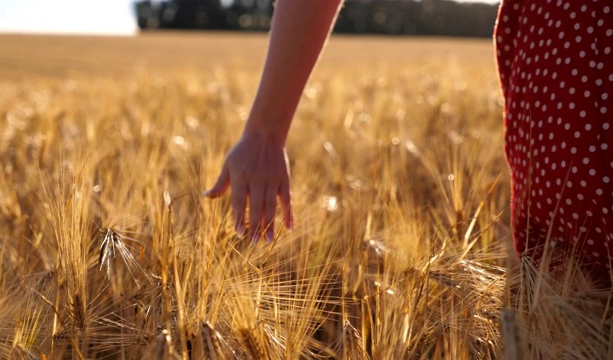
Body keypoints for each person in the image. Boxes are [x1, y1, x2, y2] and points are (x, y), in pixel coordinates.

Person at [204, 0, 613, 275]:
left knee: (570, 288)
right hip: (575, 48)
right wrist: (264, 132)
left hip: (572, 50)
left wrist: (264, 131)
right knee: (569, 283)